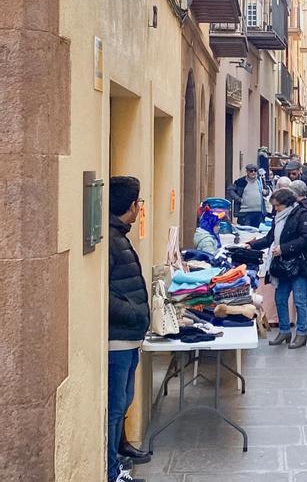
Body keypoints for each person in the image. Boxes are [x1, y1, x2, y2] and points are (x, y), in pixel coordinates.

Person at [107, 176, 151, 482]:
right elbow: (103, 292)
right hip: (119, 338)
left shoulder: (118, 236)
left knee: (123, 400)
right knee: (115, 405)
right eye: (139, 203)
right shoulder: (112, 240)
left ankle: (120, 450)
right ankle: (112, 472)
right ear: (132, 205)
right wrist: (134, 313)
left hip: (129, 337)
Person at [247, 185, 307, 349]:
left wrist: (284, 248)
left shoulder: (301, 215)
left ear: (287, 203)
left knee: (299, 300)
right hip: (282, 265)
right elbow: (270, 238)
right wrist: (251, 245)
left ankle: (302, 334)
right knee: (280, 298)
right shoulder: (278, 217)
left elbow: (306, 238)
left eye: (278, 205)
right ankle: (284, 331)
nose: (275, 208)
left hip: (298, 264)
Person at [227, 163, 269, 227]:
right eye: (251, 171)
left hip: (259, 213)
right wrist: (239, 199)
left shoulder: (260, 181)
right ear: (247, 171)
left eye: (255, 170)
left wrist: (266, 192)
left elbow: (267, 190)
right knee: (245, 232)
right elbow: (230, 190)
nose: (253, 172)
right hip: (245, 213)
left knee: (258, 232)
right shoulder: (241, 181)